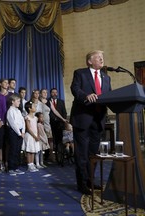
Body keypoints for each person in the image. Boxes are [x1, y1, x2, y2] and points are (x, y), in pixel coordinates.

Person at [70, 50, 111, 195]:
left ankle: (90, 181)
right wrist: (86, 96)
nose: (102, 59)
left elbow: (109, 96)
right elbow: (75, 89)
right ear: (89, 61)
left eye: (102, 57)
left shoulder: (107, 78)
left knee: (93, 154)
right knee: (82, 154)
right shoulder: (80, 73)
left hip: (98, 120)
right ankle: (81, 183)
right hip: (83, 118)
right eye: (98, 57)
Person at [6, 94, 25, 175]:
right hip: (14, 132)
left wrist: (23, 131)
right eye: (18, 101)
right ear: (12, 102)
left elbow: (22, 121)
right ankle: (11, 168)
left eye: (19, 101)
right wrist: (19, 133)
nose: (19, 103)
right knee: (13, 150)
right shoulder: (10, 111)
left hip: (20, 132)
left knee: (18, 150)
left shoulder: (18, 111)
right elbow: (13, 124)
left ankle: (16, 167)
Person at [47, 88, 67, 161]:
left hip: (59, 125)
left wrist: (64, 122)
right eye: (53, 92)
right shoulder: (47, 102)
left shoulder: (61, 102)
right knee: (51, 141)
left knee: (59, 141)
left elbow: (64, 113)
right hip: (50, 124)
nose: (55, 94)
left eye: (56, 92)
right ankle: (50, 156)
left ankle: (60, 156)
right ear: (50, 93)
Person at [23, 102, 40, 172]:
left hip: (35, 135)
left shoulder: (35, 118)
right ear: (30, 109)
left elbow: (36, 127)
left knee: (33, 150)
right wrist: (34, 136)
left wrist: (38, 135)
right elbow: (29, 128)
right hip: (30, 135)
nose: (35, 107)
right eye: (33, 106)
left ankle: (32, 163)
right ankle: (29, 164)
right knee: (29, 150)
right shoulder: (27, 117)